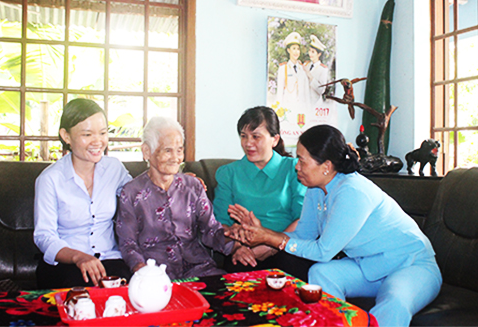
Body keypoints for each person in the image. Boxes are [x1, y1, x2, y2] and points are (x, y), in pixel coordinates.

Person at [228, 124, 443, 327]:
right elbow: (304, 234)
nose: (297, 166)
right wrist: (263, 235)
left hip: (412, 265)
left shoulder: (352, 192)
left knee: (395, 300)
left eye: (302, 161)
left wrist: (269, 238)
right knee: (322, 274)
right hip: (370, 266)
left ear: (326, 166)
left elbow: (323, 251)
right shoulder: (316, 188)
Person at [116, 116, 235, 280]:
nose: (175, 157)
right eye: (167, 150)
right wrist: (141, 270)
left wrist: (235, 246)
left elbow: (211, 230)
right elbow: (128, 244)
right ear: (146, 151)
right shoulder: (131, 193)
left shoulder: (193, 186)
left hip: (199, 268)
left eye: (179, 150)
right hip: (155, 273)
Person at [34, 98, 133, 289]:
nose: (98, 141)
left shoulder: (114, 168)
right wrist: (78, 257)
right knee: (81, 299)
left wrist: (175, 180)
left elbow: (140, 194)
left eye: (103, 133)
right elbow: (44, 236)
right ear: (66, 136)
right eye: (87, 134)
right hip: (66, 263)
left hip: (110, 259)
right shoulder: (50, 179)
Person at [213, 106, 315, 281]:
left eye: (256, 136)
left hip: (285, 247)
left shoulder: (294, 169)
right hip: (246, 249)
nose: (248, 143)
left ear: (274, 139)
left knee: (291, 266)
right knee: (238, 268)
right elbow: (218, 224)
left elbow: (303, 219)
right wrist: (237, 247)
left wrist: (271, 245)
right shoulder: (228, 173)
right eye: (243, 136)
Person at [275, 31, 310, 144]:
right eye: (293, 48)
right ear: (288, 50)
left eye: (298, 49)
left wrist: (308, 110)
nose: (296, 52)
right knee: (287, 142)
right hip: (288, 110)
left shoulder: (303, 69)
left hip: (301, 112)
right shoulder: (283, 68)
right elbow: (280, 92)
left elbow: (306, 92)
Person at [303, 35, 329, 107]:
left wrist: (310, 76)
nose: (310, 54)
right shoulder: (306, 64)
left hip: (316, 105)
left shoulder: (323, 69)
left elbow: (321, 90)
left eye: (313, 52)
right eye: (309, 51)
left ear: (319, 54)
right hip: (304, 103)